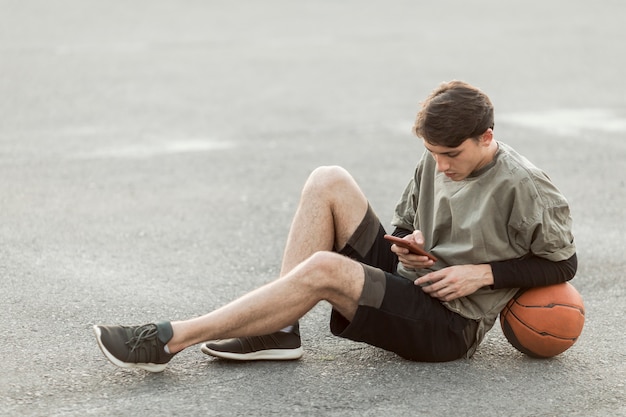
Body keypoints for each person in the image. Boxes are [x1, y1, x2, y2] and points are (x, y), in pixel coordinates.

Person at [93, 80, 577, 372]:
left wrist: (483, 274)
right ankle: (278, 331)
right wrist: (410, 241)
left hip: (449, 324)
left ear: (486, 136)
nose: (441, 166)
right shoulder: (436, 159)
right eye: (433, 154)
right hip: (418, 277)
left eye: (452, 155)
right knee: (328, 179)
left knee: (326, 269)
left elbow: (564, 262)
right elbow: (408, 218)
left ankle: (168, 338)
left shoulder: (526, 186)